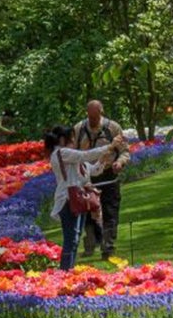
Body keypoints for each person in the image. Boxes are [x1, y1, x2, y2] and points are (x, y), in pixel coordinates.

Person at [46, 125, 121, 271]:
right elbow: (85, 156)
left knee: (75, 238)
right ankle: (65, 271)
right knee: (71, 238)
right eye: (72, 138)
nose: (75, 141)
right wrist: (110, 146)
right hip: (68, 200)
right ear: (63, 139)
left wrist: (103, 159)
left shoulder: (71, 156)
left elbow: (93, 171)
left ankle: (69, 269)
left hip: (78, 199)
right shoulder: (61, 153)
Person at [70, 99, 128, 260]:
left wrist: (120, 162)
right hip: (87, 176)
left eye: (95, 117)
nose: (92, 121)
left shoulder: (113, 128)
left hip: (109, 174)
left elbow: (125, 151)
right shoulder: (79, 129)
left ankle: (108, 248)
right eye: (90, 117)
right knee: (87, 212)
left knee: (110, 211)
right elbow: (72, 153)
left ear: (101, 113)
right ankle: (90, 245)